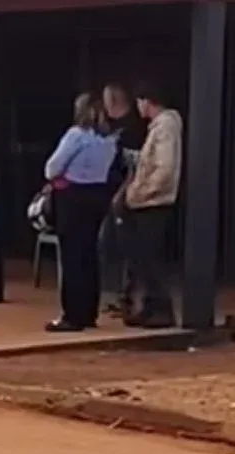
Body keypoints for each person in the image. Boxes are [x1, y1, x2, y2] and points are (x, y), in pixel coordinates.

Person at [42, 92, 118, 333]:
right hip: (97, 196)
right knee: (89, 254)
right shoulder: (109, 140)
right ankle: (88, 312)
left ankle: (72, 315)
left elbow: (52, 168)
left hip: (73, 196)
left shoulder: (76, 135)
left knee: (72, 256)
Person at [123, 81, 184, 328]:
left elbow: (165, 167)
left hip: (154, 202)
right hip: (149, 201)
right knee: (144, 258)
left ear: (147, 101)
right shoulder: (159, 127)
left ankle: (161, 310)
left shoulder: (165, 127)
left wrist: (141, 192)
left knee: (152, 258)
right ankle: (149, 307)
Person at [100, 83, 147, 318]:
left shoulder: (132, 130)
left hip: (126, 196)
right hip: (118, 194)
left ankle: (130, 299)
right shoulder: (117, 128)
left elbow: (134, 167)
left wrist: (123, 193)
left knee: (128, 249)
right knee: (116, 247)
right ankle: (124, 297)